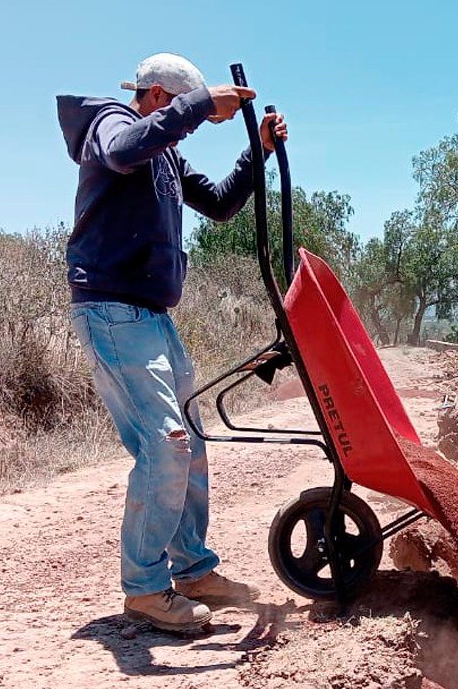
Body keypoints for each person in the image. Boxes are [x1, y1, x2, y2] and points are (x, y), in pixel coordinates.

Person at [56, 53, 288, 633]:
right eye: (178, 109)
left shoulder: (163, 155)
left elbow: (219, 203)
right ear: (157, 97)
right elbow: (122, 149)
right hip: (112, 311)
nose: (184, 123)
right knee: (168, 442)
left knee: (193, 441)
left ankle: (191, 569)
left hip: (152, 316)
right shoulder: (109, 125)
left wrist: (255, 151)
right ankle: (144, 587)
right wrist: (205, 103)